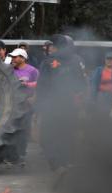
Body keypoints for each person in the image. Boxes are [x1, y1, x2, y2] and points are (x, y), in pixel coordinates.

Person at [37, 34, 87, 171]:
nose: (50, 48)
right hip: (68, 104)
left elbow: (42, 85)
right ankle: (65, 162)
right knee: (67, 132)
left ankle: (56, 163)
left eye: (53, 45)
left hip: (52, 105)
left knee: (51, 134)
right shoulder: (77, 61)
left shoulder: (47, 62)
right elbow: (82, 83)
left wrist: (40, 105)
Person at [9, 48, 39, 166]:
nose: (13, 59)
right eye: (12, 57)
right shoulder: (10, 70)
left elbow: (40, 83)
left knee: (23, 130)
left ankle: (21, 155)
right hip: (13, 105)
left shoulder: (32, 71)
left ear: (23, 58)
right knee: (12, 130)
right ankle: (12, 156)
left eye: (15, 57)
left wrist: (33, 96)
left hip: (27, 104)